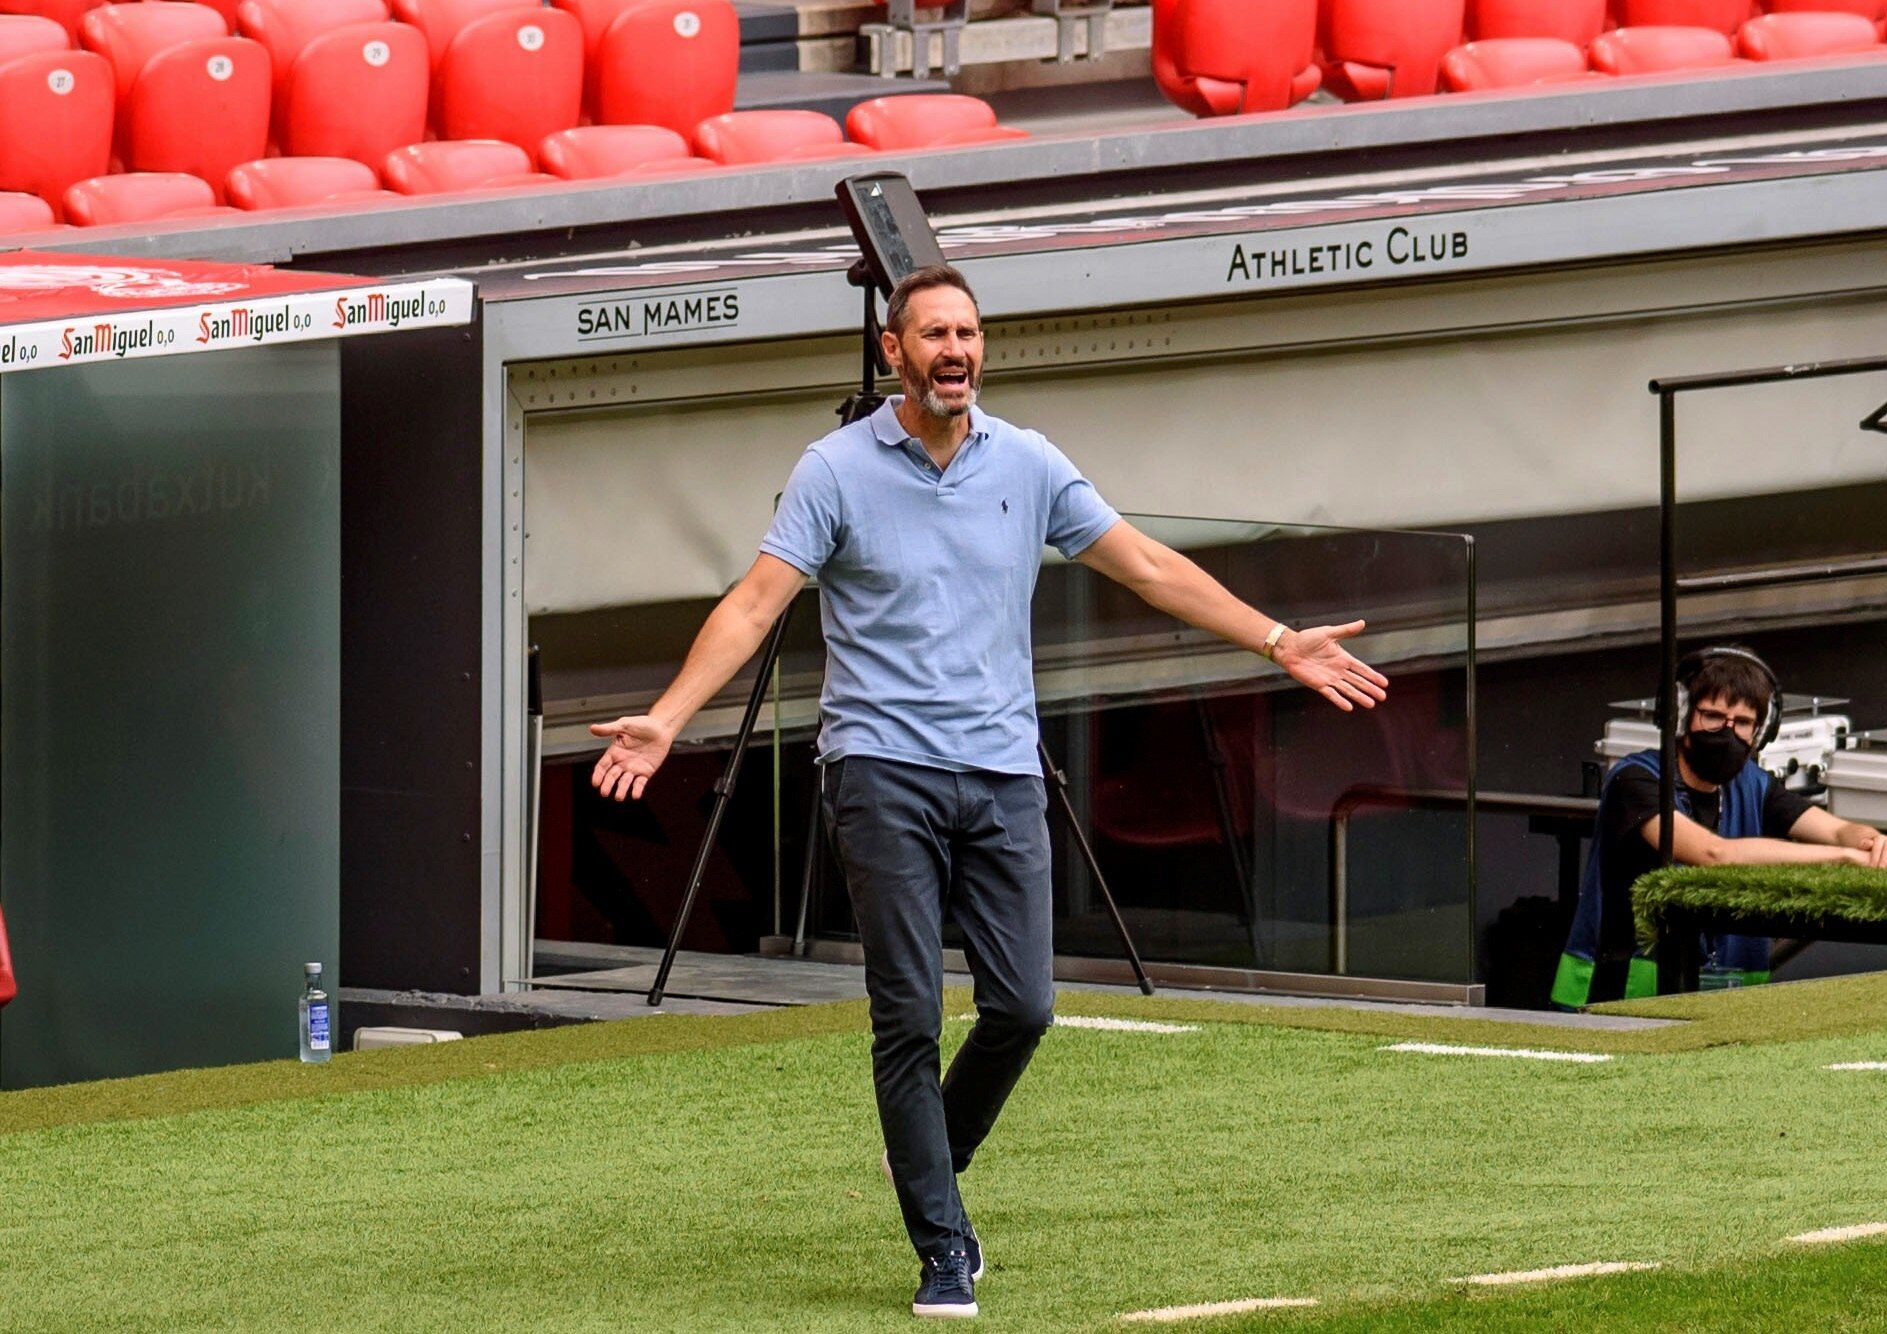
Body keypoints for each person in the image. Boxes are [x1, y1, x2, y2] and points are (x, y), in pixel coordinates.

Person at [588, 263, 1388, 1319]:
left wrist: (1279, 638)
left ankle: (928, 1158)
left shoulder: (1031, 462)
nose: (954, 349)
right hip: (880, 771)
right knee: (908, 1012)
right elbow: (753, 604)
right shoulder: (833, 470)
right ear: (893, 351)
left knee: (1023, 1005)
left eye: (968, 332)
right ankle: (943, 1244)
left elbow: (1146, 564)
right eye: (933, 334)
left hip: (1004, 771)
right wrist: (671, 715)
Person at [1553, 645, 1887, 1008]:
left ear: (1761, 731)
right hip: (1619, 991)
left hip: (1726, 997)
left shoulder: (1753, 784)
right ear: (1681, 717)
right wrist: (1840, 858)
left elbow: (1836, 830)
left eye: (1743, 723)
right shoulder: (1634, 780)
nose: (1727, 733)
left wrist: (1867, 840)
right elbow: (1713, 853)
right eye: (1712, 716)